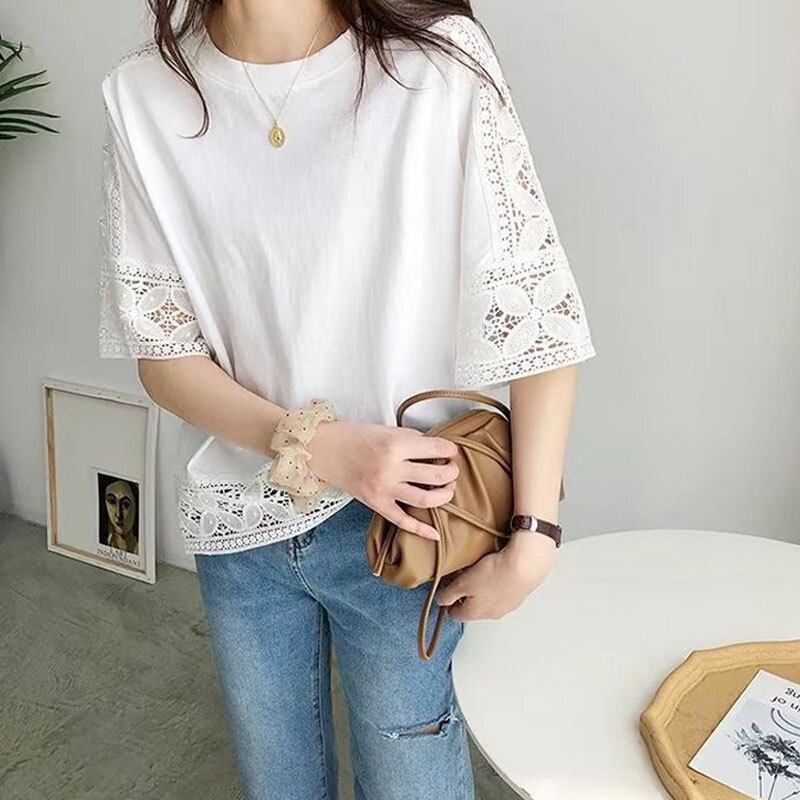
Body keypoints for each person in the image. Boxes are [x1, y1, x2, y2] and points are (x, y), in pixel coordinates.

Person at [98, 1, 596, 797]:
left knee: (410, 781)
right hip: (242, 524)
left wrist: (534, 539)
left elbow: (538, 319)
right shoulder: (144, 92)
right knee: (277, 782)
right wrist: (318, 444)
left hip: (411, 528)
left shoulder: (438, 65)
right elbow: (164, 356)